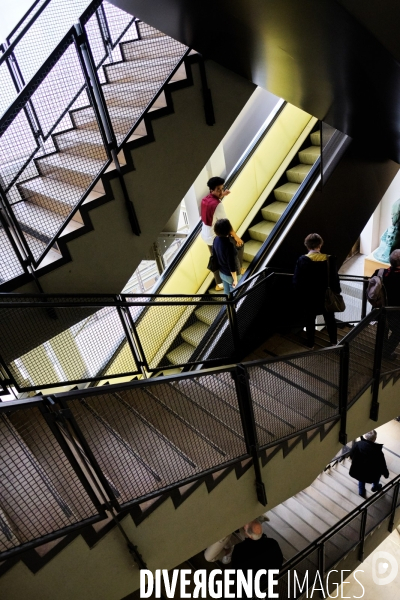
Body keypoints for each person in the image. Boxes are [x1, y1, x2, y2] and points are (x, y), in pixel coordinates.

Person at [293, 233, 341, 348]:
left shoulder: (302, 260)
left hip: (309, 297)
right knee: (330, 319)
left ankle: (310, 343)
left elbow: (296, 282)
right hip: (326, 296)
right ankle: (334, 342)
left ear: (307, 245)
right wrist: (337, 292)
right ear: (320, 245)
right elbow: (335, 279)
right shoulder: (329, 259)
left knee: (310, 320)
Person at [200, 176, 244, 290]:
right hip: (216, 235)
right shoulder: (218, 205)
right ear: (212, 190)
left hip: (206, 235)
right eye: (218, 189)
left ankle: (219, 284)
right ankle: (238, 271)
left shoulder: (205, 199)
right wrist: (236, 237)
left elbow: (212, 201)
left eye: (222, 188)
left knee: (214, 258)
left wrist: (222, 194)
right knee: (238, 247)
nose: (221, 191)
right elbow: (226, 224)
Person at [230, 521, 283, 596]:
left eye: (245, 528)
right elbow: (279, 563)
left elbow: (235, 569)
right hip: (264, 583)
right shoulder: (273, 543)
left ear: (250, 536)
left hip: (247, 586)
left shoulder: (239, 549)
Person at [372, 249, 400, 359]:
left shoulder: (380, 272)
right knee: (397, 332)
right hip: (396, 312)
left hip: (380, 308)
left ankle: (380, 349)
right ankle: (386, 351)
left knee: (382, 329)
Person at [349, 430, 389, 498]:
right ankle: (375, 487)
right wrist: (386, 474)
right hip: (372, 475)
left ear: (365, 436)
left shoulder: (358, 444)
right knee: (376, 478)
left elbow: (351, 455)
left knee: (361, 479)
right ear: (374, 439)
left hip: (359, 470)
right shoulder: (378, 452)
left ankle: (361, 492)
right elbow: (382, 465)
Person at [213, 219, 241, 295]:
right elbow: (231, 264)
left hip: (222, 272)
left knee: (226, 294)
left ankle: (226, 307)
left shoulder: (215, 240)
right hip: (231, 276)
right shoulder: (229, 245)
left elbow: (215, 255)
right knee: (236, 296)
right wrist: (235, 280)